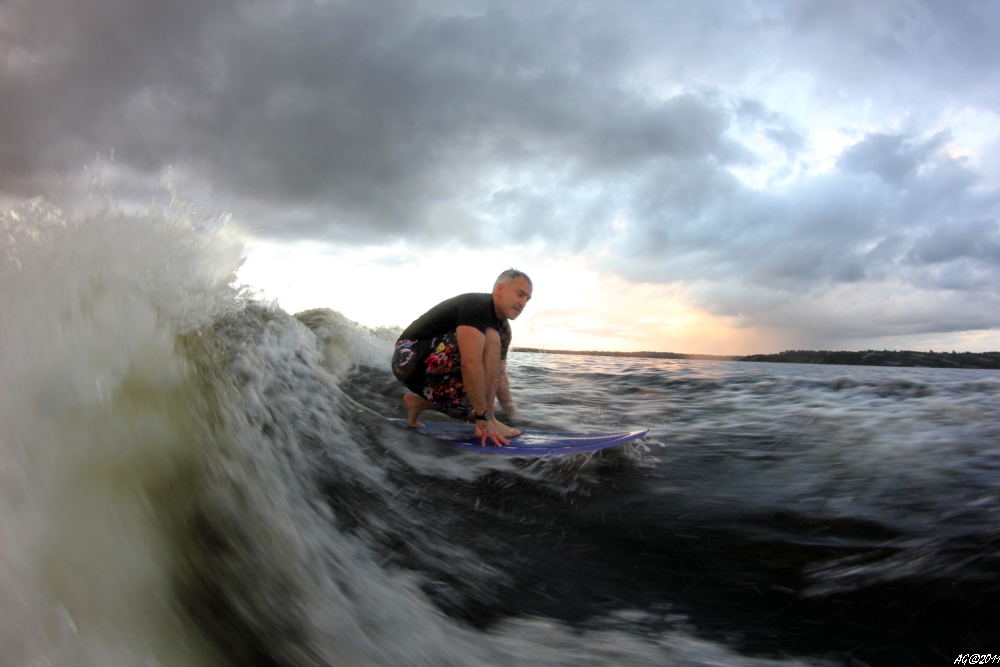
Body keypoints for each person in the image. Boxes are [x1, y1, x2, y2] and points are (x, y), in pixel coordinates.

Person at [391, 268, 533, 446]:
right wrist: (485, 417)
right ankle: (486, 420)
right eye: (520, 294)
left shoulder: (504, 329)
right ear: (500, 289)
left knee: (469, 405)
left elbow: (499, 374)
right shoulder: (478, 305)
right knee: (490, 338)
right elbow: (470, 363)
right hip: (407, 358)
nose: (523, 303)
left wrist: (512, 412)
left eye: (527, 299)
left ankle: (418, 403)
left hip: (433, 369)